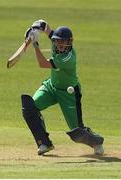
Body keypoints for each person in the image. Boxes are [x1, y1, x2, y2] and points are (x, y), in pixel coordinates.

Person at [21, 20, 104, 156]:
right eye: (57, 41)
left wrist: (35, 44)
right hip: (51, 87)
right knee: (30, 108)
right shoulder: (57, 43)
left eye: (63, 42)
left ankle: (97, 142)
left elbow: (43, 64)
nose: (59, 44)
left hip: (69, 93)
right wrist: (34, 28)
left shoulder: (68, 58)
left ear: (69, 42)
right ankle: (44, 143)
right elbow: (45, 26)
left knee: (76, 132)